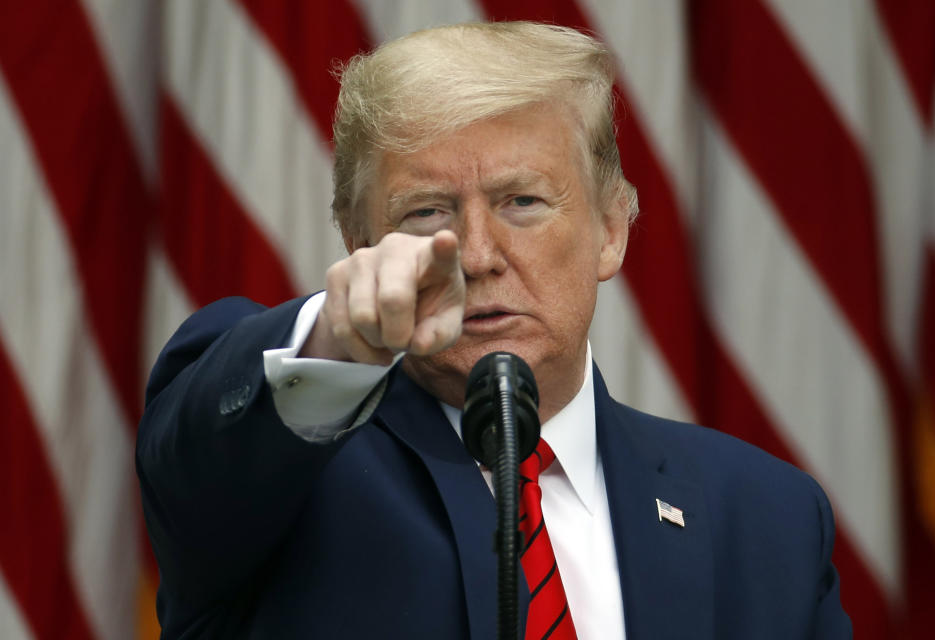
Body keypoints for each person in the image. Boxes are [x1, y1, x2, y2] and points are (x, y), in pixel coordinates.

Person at [137, 21, 852, 639]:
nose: (476, 255)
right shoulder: (282, 474)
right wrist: (336, 340)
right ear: (360, 245)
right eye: (426, 212)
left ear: (611, 228)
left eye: (522, 201)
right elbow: (198, 460)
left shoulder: (766, 521)